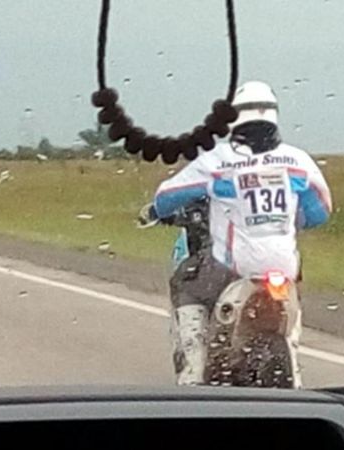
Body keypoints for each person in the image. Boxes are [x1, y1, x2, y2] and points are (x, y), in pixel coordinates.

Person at [142, 81, 332, 387]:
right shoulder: (298, 161)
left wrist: (157, 210)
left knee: (186, 285)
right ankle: (294, 371)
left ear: (234, 119)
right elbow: (321, 212)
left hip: (230, 270)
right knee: (294, 295)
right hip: (284, 269)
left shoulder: (218, 160)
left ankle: (192, 374)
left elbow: (166, 198)